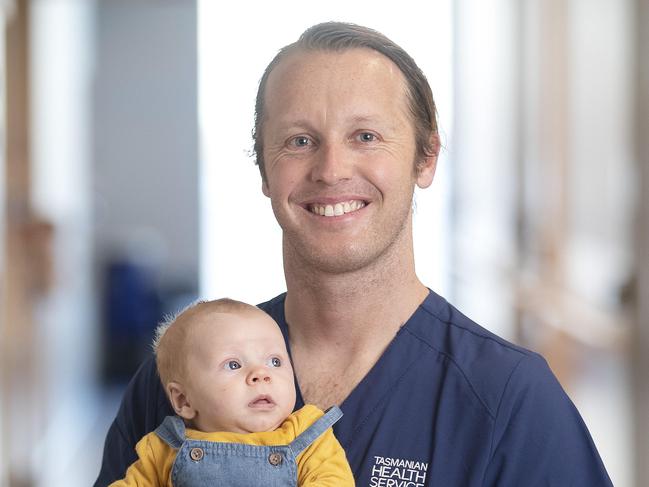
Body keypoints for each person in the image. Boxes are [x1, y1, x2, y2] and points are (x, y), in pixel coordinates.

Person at [96, 22, 613, 486]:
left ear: (426, 158)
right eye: (299, 141)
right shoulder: (189, 373)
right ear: (263, 170)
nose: (332, 169)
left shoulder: (507, 398)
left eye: (365, 136)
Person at [109, 298, 353, 486]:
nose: (261, 374)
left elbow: (334, 479)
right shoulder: (163, 449)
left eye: (275, 362)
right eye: (233, 364)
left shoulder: (307, 436)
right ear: (183, 400)